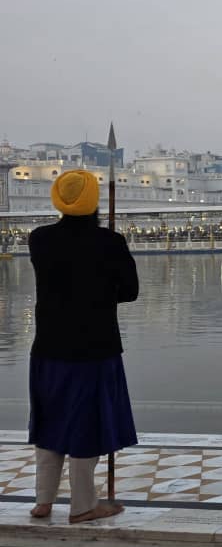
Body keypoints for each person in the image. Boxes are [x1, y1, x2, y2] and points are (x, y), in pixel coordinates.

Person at [28, 170, 140, 524]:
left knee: (50, 419)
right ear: (94, 202)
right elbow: (130, 292)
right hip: (94, 348)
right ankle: (83, 506)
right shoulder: (110, 242)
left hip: (47, 347)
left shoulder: (39, 239)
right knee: (86, 422)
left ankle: (43, 501)